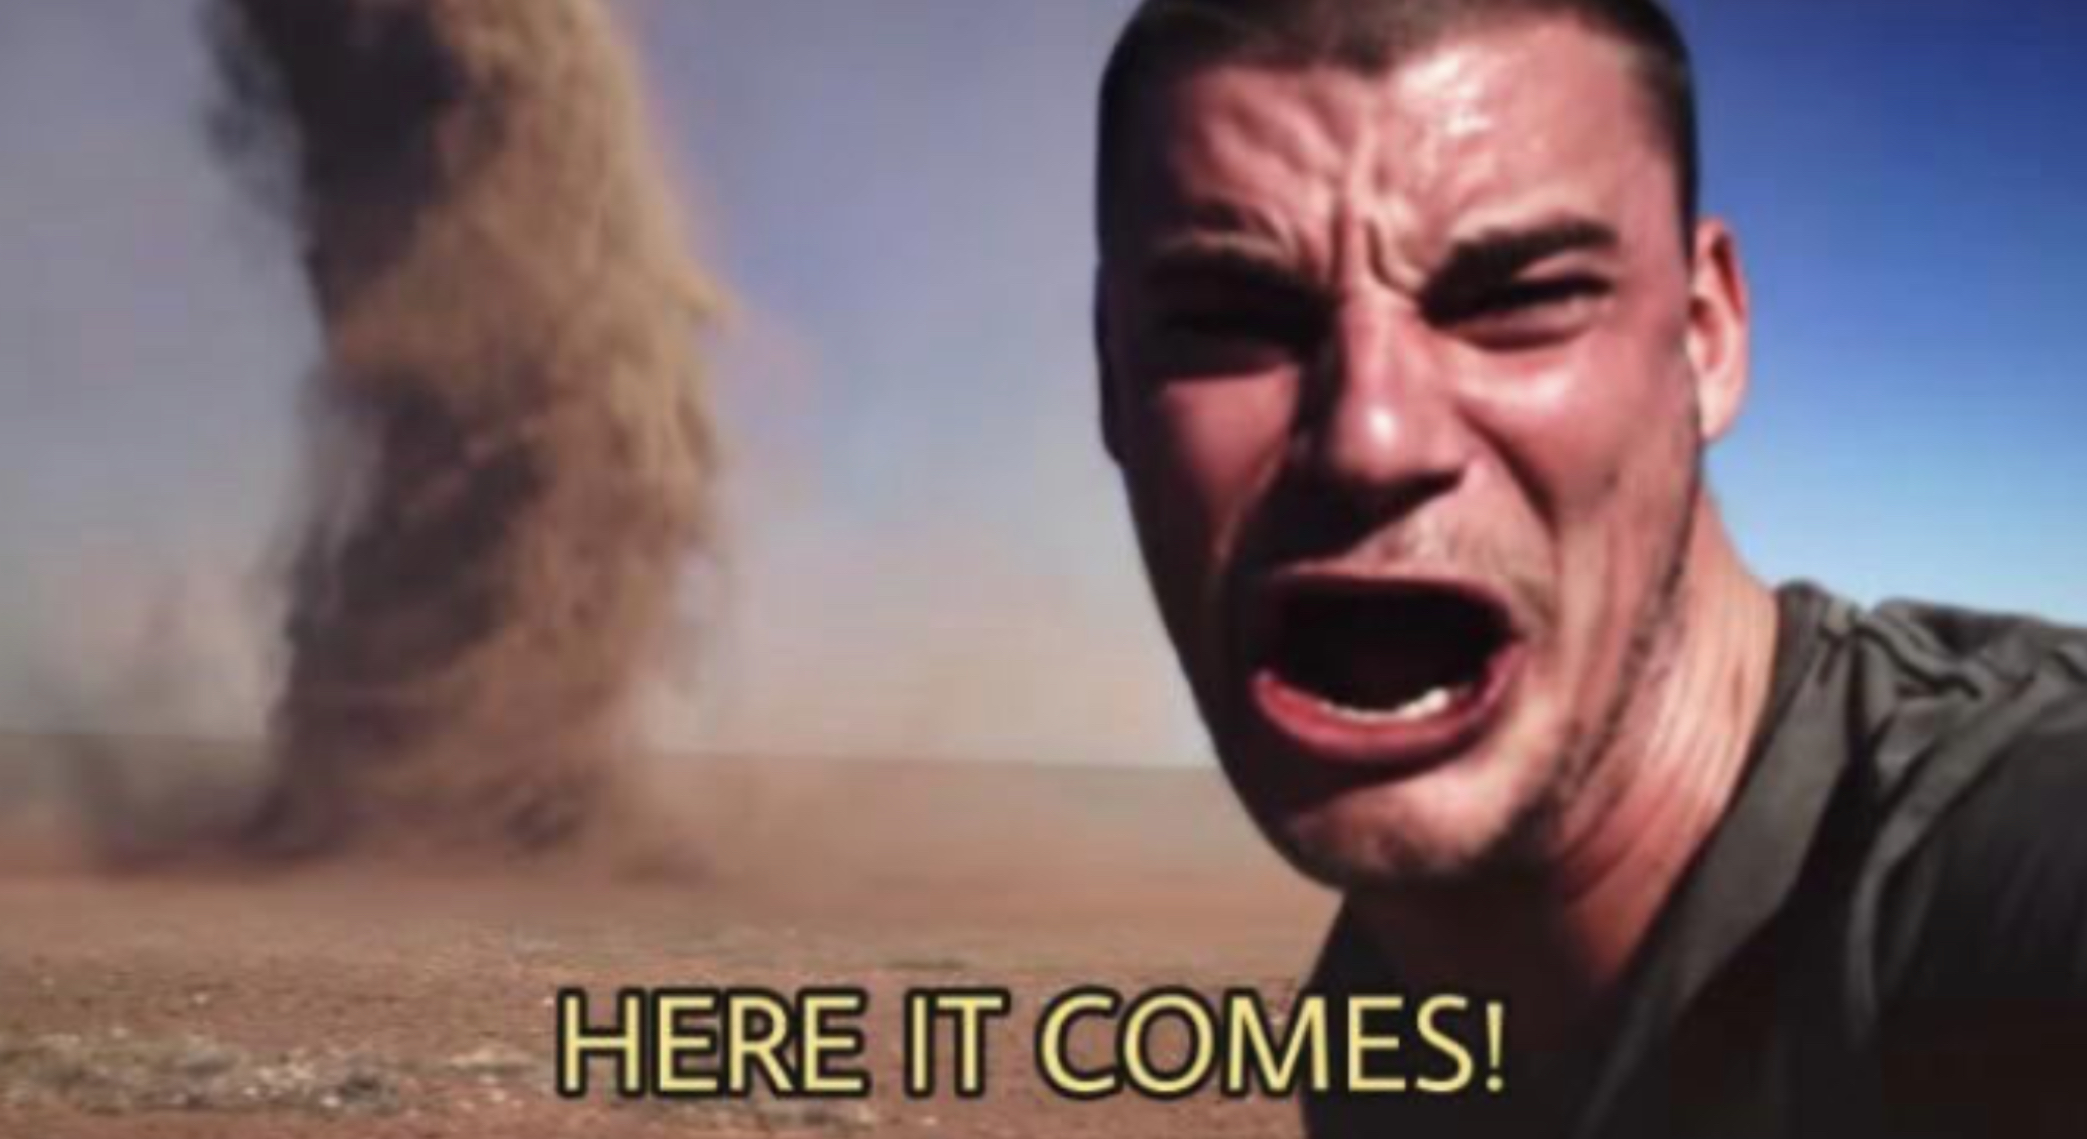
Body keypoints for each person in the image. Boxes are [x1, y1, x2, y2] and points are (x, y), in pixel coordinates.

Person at [1090, 1, 2087, 1135]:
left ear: (1703, 338)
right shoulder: (1388, 1010)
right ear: (1111, 378)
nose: (1371, 436)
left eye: (1520, 299)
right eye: (1228, 318)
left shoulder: (1998, 888)